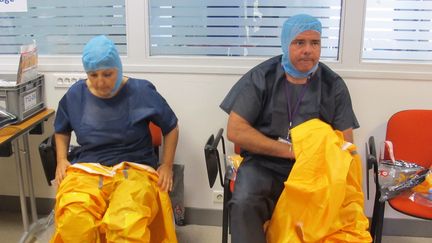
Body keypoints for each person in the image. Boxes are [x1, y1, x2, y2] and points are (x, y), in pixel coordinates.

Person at [220, 14, 359, 243]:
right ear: (286, 44)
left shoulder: (333, 85)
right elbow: (236, 131)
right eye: (299, 42)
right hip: (264, 164)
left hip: (314, 170)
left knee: (332, 215)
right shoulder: (261, 77)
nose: (308, 50)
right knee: (244, 202)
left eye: (315, 43)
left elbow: (346, 143)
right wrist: (290, 151)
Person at [51, 35, 179, 243]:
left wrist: (166, 165)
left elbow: (171, 127)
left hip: (134, 168)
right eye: (93, 75)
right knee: (74, 220)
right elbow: (61, 129)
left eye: (107, 74)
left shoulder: (141, 91)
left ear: (118, 67)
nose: (100, 82)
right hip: (88, 168)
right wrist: (61, 159)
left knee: (126, 225)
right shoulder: (76, 94)